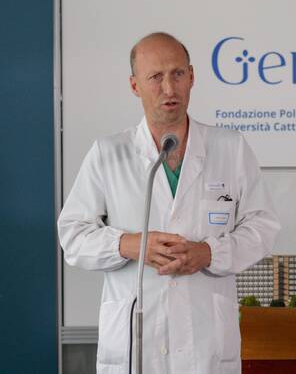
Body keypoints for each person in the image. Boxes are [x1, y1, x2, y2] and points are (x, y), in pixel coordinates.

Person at [58, 32, 280, 374]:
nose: (169, 88)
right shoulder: (108, 154)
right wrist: (127, 245)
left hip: (206, 344)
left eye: (177, 74)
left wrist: (209, 253)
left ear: (192, 76)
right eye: (155, 77)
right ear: (135, 86)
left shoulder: (230, 148)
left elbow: (262, 228)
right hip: (137, 345)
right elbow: (72, 235)